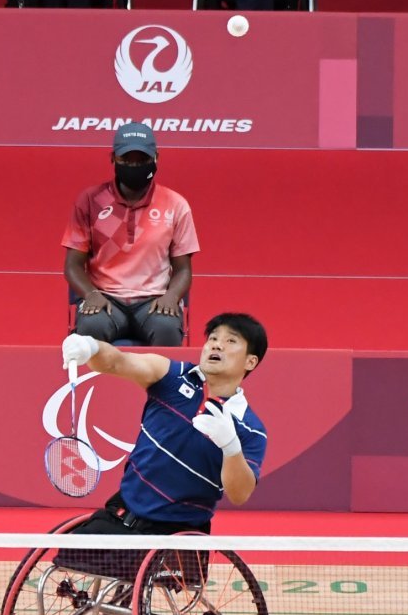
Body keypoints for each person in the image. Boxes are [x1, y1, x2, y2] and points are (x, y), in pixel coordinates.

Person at [56, 312, 268, 578]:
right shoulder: (170, 376)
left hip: (176, 537)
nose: (216, 345)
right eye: (213, 338)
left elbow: (240, 494)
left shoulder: (251, 429)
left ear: (250, 361)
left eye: (230, 341)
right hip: (122, 515)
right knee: (60, 561)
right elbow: (117, 362)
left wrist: (230, 446)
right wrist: (92, 347)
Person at [63, 122, 199, 347]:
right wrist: (90, 294)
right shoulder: (90, 201)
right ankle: (97, 384)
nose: (134, 165)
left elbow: (183, 269)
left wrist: (171, 296)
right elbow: (73, 265)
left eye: (142, 159)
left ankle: (162, 383)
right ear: (113, 159)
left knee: (167, 328)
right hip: (105, 300)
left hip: (153, 302)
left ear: (156, 157)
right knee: (91, 329)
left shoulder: (175, 204)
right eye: (127, 159)